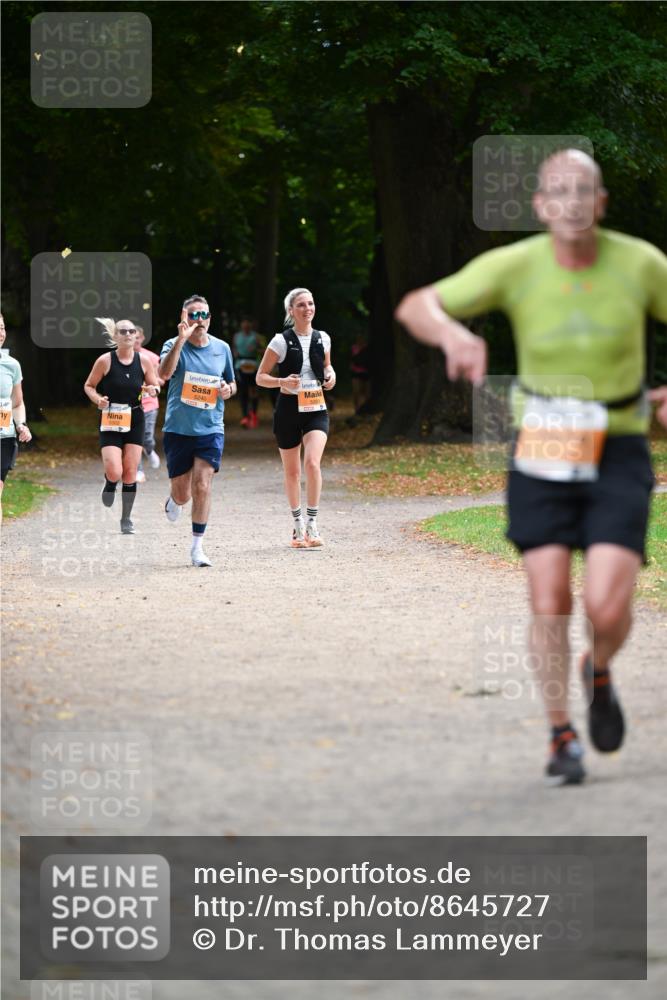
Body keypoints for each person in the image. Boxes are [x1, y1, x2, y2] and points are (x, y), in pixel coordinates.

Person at [395, 149, 667, 786]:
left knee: (605, 606)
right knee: (548, 598)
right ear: (541, 206)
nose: (572, 202)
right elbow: (416, 306)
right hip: (545, 444)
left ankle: (597, 669)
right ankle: (560, 733)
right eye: (558, 192)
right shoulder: (517, 266)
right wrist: (455, 335)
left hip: (620, 443)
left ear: (600, 203)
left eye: (585, 191)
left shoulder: (641, 263)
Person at [158, 294, 236, 567]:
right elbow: (163, 374)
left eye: (204, 315)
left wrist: (228, 390)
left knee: (202, 484)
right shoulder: (172, 344)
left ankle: (197, 548)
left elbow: (231, 383)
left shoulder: (222, 348)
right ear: (184, 317)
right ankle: (174, 500)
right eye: (193, 315)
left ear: (210, 318)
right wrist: (180, 340)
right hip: (179, 429)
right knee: (183, 493)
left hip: (211, 427)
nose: (199, 320)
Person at [256, 287, 336, 548]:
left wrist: (331, 374)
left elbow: (326, 366)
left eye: (311, 303)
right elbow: (260, 377)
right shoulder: (280, 341)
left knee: (312, 463)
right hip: (288, 409)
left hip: (315, 409)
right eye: (301, 305)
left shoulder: (323, 338)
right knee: (292, 471)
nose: (307, 308)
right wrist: (282, 381)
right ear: (291, 311)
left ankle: (313, 525)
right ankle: (297, 525)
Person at [83, 319, 160, 534]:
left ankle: (126, 519)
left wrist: (152, 390)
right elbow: (89, 386)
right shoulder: (104, 361)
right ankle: (109, 482)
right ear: (115, 336)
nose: (127, 334)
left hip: (135, 418)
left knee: (130, 473)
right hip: (111, 418)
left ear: (136, 335)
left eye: (131, 331)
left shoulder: (144, 361)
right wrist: (98, 399)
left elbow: (154, 385)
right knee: (115, 471)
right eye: (122, 331)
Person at [0, 312, 32, 518]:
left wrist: (21, 424)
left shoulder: (11, 364)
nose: (0, 333)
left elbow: (17, 403)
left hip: (3, 437)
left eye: (2, 328)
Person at [134, 325, 164, 482]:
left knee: (147, 438)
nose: (135, 340)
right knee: (134, 438)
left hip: (150, 404)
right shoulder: (123, 358)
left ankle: (150, 450)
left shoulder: (151, 357)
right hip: (131, 405)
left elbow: (161, 380)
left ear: (143, 338)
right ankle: (138, 470)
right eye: (133, 337)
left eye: (138, 337)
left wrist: (149, 380)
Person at [233, 317, 262, 428]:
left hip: (253, 364)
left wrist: (256, 349)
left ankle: (254, 414)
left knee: (254, 391)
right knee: (243, 391)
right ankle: (245, 416)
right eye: (244, 325)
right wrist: (235, 354)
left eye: (247, 325)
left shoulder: (256, 337)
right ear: (241, 325)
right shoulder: (237, 336)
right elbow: (234, 348)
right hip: (241, 365)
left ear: (250, 326)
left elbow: (263, 350)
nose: (245, 327)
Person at [350, 334, 371, 413]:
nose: (360, 340)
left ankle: (366, 409)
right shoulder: (353, 348)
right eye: (359, 338)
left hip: (366, 372)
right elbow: (351, 359)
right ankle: (357, 409)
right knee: (356, 391)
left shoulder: (367, 348)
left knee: (367, 393)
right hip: (356, 372)